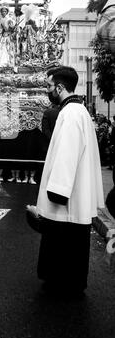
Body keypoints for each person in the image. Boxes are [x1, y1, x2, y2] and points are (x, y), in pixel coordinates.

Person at [28, 66, 104, 297]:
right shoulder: (76, 110)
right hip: (74, 195)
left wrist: (57, 193)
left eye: (49, 86)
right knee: (72, 245)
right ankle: (67, 282)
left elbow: (67, 155)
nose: (47, 90)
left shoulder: (70, 114)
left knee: (64, 244)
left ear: (60, 87)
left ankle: (63, 285)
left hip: (66, 199)